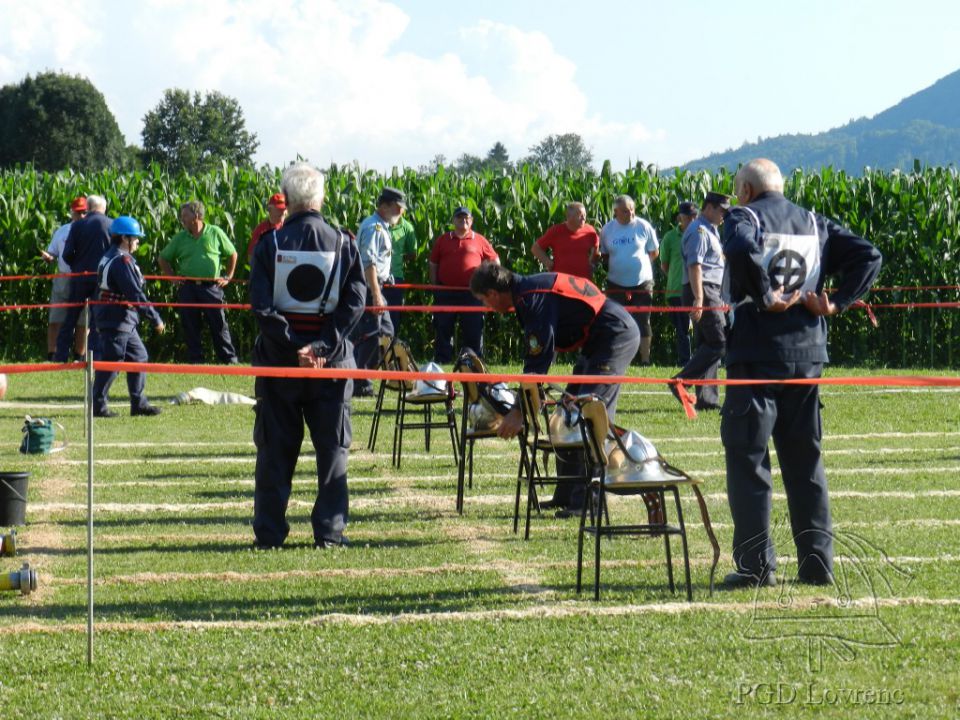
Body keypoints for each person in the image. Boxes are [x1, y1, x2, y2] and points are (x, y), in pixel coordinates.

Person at [720, 158, 881, 588]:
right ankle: (817, 565)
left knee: (749, 459)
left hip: (756, 355)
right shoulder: (814, 222)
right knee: (805, 461)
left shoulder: (744, 216)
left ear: (746, 191)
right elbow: (870, 255)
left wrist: (765, 293)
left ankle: (756, 565)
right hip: (808, 355)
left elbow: (737, 248)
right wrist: (837, 302)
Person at [249, 161, 366, 549]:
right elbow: (355, 302)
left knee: (274, 452)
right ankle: (329, 533)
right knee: (333, 451)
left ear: (289, 200)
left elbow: (263, 308)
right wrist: (320, 347)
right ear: (320, 198)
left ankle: (269, 533)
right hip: (331, 367)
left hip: (279, 366)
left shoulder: (270, 243)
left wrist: (294, 347)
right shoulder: (344, 242)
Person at [471, 261, 640, 517]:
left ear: (493, 293)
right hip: (597, 339)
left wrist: (519, 411)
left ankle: (588, 503)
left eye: (484, 300)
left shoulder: (532, 298)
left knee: (589, 416)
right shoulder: (527, 292)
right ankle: (566, 495)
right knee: (568, 413)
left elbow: (538, 362)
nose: (487, 307)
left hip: (614, 335)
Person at [90, 216, 165, 418]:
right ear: (125, 238)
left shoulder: (110, 256)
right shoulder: (121, 261)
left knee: (138, 356)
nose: (138, 242)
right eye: (135, 238)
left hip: (120, 320)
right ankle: (97, 406)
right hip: (117, 319)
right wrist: (155, 318)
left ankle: (138, 404)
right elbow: (134, 293)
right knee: (112, 362)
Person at [158, 201, 240, 364]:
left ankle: (229, 360)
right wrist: (173, 278)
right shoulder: (180, 237)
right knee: (190, 325)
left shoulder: (215, 232)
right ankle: (196, 360)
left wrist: (228, 276)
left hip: (211, 287)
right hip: (188, 287)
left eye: (185, 215)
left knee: (219, 324)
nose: (182, 219)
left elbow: (232, 254)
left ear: (196, 216)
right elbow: (163, 258)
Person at [671, 192, 729, 411]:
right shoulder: (699, 231)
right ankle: (682, 381)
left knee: (707, 344)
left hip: (708, 289)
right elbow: (695, 265)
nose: (724, 214)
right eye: (721, 209)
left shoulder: (709, 231)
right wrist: (699, 298)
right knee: (719, 342)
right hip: (703, 288)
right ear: (709, 208)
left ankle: (706, 399)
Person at [350, 187, 405, 397]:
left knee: (385, 332)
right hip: (368, 288)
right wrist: (375, 293)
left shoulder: (381, 226)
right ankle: (360, 382)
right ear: (384, 206)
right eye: (397, 207)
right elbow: (369, 263)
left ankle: (366, 377)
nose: (400, 212)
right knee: (370, 334)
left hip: (376, 286)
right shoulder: (375, 228)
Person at [429, 206, 500, 363]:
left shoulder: (480, 240)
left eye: (467, 218)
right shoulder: (443, 239)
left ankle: (473, 362)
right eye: (460, 217)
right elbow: (433, 263)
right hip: (446, 292)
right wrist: (435, 285)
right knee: (443, 328)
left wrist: (489, 283)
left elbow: (495, 261)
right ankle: (443, 361)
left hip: (472, 293)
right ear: (453, 220)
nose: (463, 220)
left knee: (473, 329)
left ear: (472, 221)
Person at [599, 194, 659, 364]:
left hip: (643, 282)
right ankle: (618, 357)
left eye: (632, 210)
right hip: (615, 283)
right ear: (616, 212)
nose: (630, 214)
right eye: (625, 211)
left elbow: (654, 252)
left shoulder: (643, 226)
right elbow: (604, 255)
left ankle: (645, 359)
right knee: (616, 321)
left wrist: (637, 266)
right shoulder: (607, 230)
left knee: (643, 321)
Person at [53, 194, 112, 362]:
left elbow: (67, 254)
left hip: (79, 278)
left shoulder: (77, 225)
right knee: (96, 320)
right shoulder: (111, 225)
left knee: (70, 318)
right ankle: (93, 357)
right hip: (101, 279)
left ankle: (60, 356)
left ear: (89, 207)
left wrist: (77, 266)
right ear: (103, 208)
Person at [41, 196, 88, 360]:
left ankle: (78, 356)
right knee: (56, 318)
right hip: (63, 278)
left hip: (83, 278)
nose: (81, 216)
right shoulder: (62, 231)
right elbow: (53, 253)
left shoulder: (92, 231)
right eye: (78, 212)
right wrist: (48, 257)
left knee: (83, 321)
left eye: (84, 212)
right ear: (72, 213)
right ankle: (52, 355)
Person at [658, 201, 697, 366]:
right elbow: (664, 265)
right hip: (676, 290)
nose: (691, 220)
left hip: (698, 291)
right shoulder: (669, 237)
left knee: (701, 330)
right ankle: (685, 362)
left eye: (694, 216)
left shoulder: (701, 234)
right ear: (680, 217)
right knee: (682, 331)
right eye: (688, 217)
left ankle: (701, 361)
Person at [531, 202, 600, 279]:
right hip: (561, 280)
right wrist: (548, 263)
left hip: (583, 280)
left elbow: (596, 246)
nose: (583, 218)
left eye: (584, 215)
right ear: (568, 216)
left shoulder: (590, 231)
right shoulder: (556, 231)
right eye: (580, 215)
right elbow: (535, 248)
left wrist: (591, 263)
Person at [383, 209, 418, 334]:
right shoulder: (379, 224)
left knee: (393, 317)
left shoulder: (407, 227)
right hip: (375, 277)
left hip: (396, 278)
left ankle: (392, 348)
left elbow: (413, 253)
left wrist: (397, 258)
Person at [248, 193, 287, 261]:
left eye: (284, 209)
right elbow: (251, 256)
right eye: (279, 209)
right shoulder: (261, 230)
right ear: (270, 210)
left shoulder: (288, 228)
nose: (283, 212)